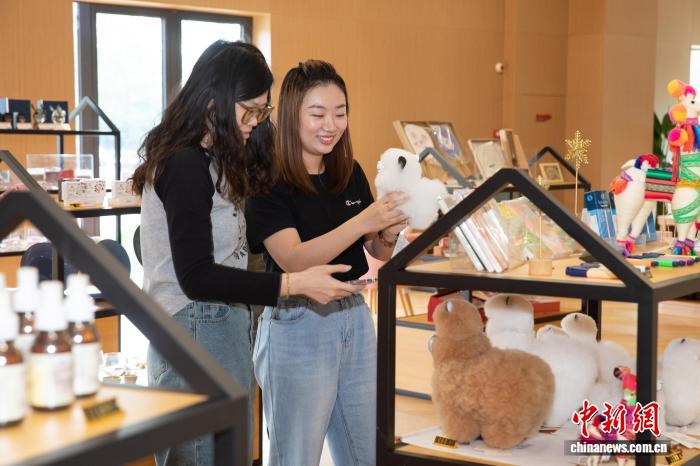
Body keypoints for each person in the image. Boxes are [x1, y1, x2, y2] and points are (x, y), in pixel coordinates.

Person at [131, 42, 359, 466]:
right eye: (249, 111)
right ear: (214, 100)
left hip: (221, 322)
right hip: (194, 325)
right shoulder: (184, 164)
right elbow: (196, 277)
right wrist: (292, 283)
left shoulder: (214, 155)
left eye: (262, 111)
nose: (255, 122)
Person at [246, 60, 407, 466]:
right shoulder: (268, 179)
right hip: (298, 323)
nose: (330, 125)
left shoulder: (348, 172)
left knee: (366, 453)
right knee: (296, 457)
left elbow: (376, 252)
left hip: (354, 316)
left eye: (340, 113)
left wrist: (387, 233)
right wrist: (364, 222)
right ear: (291, 115)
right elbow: (293, 259)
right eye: (317, 114)